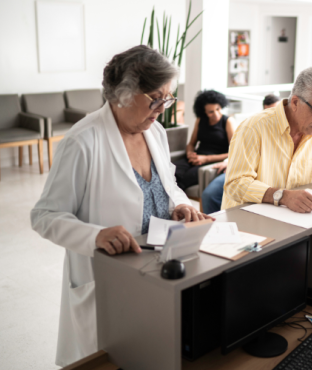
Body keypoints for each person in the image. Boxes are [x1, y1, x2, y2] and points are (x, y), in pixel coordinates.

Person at [30, 45, 211, 367]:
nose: (162, 109)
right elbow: (44, 216)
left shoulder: (154, 131)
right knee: (115, 359)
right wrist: (95, 236)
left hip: (160, 269)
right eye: (155, 98)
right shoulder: (82, 141)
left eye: (167, 98)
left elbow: (168, 184)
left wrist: (180, 204)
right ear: (122, 95)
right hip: (111, 280)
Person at [222, 67, 312, 212]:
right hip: (244, 225)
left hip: (290, 223)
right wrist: (282, 196)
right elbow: (235, 184)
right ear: (295, 102)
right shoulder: (252, 129)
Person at [201, 94, 280, 214]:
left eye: (275, 110)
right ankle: (216, 229)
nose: (272, 114)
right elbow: (239, 149)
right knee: (209, 195)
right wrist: (230, 162)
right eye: (268, 110)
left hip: (263, 176)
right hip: (240, 172)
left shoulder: (287, 132)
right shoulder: (256, 127)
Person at [174, 90, 235, 191]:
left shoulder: (228, 122)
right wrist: (190, 153)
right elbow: (191, 143)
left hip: (213, 161)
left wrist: (206, 159)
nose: (216, 114)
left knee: (184, 178)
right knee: (170, 171)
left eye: (218, 109)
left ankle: (175, 204)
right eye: (211, 112)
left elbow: (234, 152)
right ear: (204, 112)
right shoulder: (200, 119)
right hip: (196, 157)